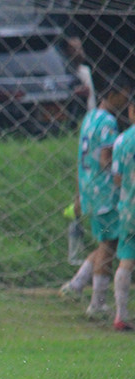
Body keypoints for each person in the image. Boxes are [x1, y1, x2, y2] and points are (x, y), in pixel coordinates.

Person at [59, 76, 131, 319]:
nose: (127, 100)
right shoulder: (109, 122)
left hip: (89, 188)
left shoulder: (89, 117)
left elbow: (83, 157)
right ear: (114, 94)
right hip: (106, 191)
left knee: (106, 242)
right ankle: (97, 303)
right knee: (110, 246)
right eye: (125, 94)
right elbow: (105, 158)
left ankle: (77, 284)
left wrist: (79, 193)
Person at [110, 96, 135, 331]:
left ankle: (120, 316)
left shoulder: (122, 140)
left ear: (131, 112)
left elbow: (116, 177)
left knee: (126, 260)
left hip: (128, 207)